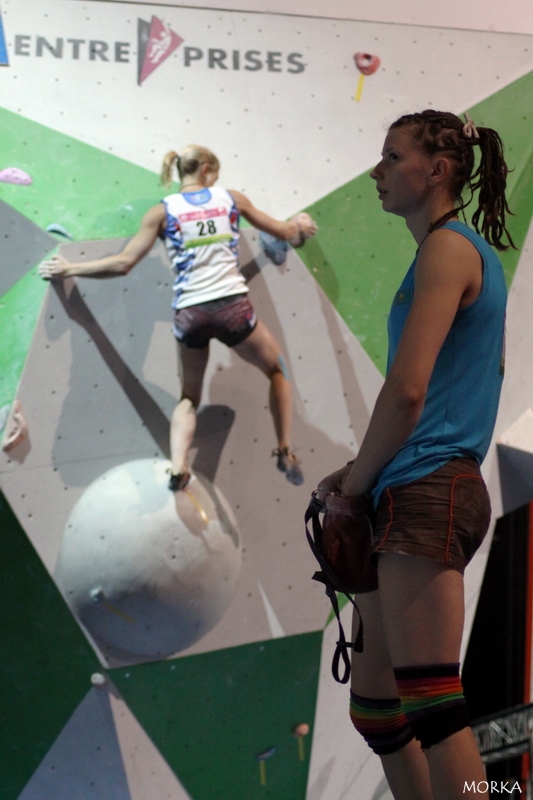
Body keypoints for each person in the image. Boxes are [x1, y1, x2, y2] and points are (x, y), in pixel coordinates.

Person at [316, 110, 514, 800]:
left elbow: (406, 393)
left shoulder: (448, 249)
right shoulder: (442, 251)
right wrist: (355, 482)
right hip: (411, 489)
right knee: (377, 710)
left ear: (434, 170)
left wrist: (352, 489)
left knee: (432, 706)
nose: (376, 170)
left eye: (389, 156)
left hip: (428, 491)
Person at [39, 144, 317, 490]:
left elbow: (123, 263)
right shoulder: (232, 200)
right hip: (233, 307)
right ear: (205, 169)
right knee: (276, 370)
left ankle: (178, 465)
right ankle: (284, 448)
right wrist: (301, 224)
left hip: (191, 312)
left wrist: (71, 268)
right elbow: (286, 232)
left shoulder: (162, 213)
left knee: (189, 397)